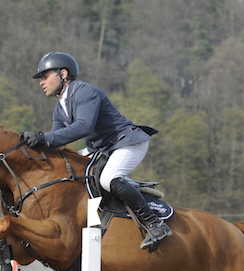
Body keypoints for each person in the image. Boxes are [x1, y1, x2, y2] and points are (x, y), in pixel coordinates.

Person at [20, 51, 172, 252]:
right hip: (104, 149)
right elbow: (57, 140)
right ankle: (93, 221)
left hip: (126, 142)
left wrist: (44, 137)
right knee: (73, 170)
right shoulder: (60, 108)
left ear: (63, 73)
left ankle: (155, 224)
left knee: (108, 179)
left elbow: (84, 127)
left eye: (45, 76)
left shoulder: (84, 92)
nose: (41, 82)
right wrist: (34, 144)